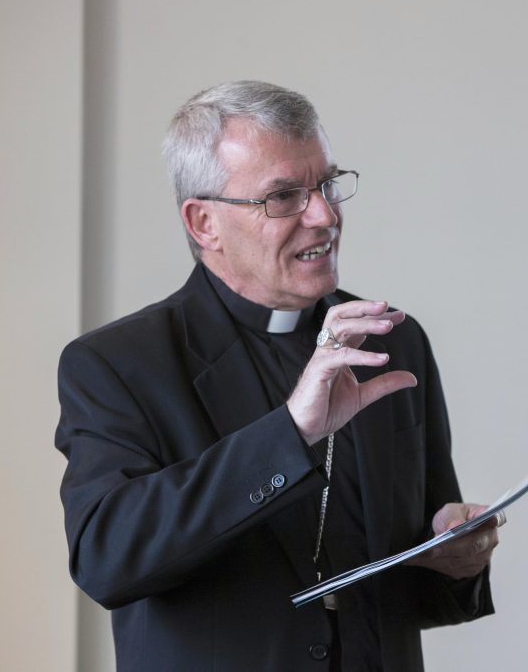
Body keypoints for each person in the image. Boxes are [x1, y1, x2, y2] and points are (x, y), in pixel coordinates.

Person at [55, 81, 498, 671]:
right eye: (283, 197)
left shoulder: (393, 339)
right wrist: (290, 431)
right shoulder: (117, 363)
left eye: (327, 185)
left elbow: (414, 574)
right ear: (204, 223)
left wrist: (455, 550)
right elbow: (107, 560)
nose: (324, 215)